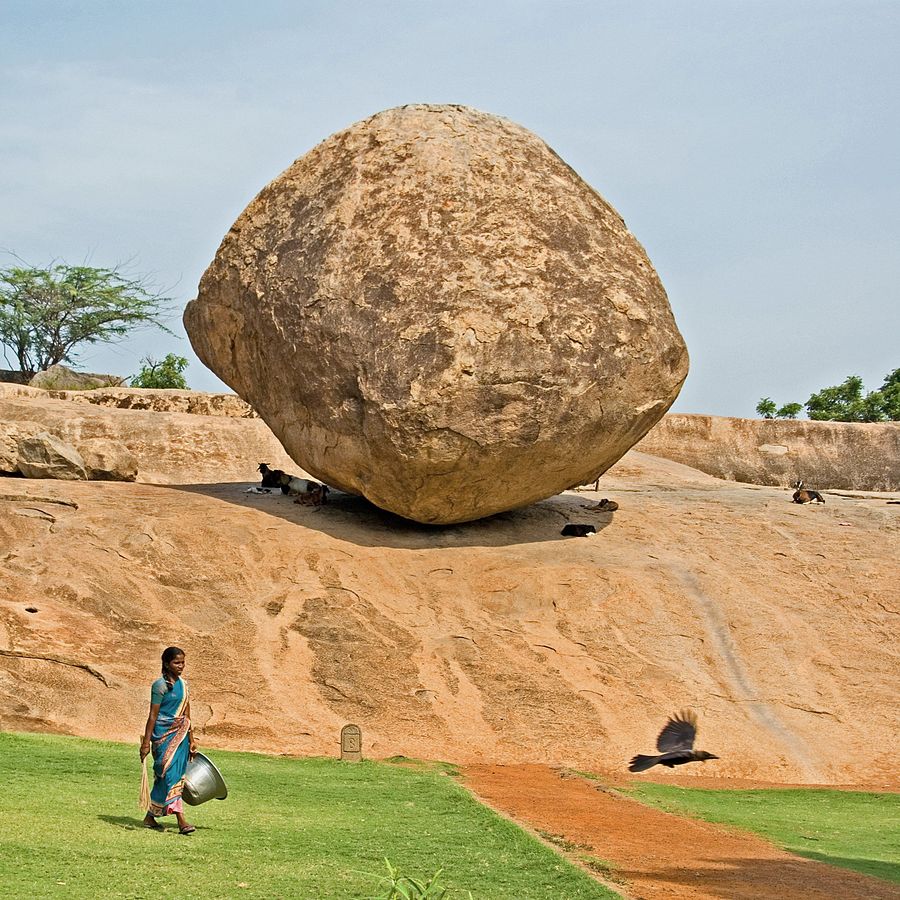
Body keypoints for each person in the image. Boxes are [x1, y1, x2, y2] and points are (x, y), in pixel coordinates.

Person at [140, 646, 198, 834]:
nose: (181, 666)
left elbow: (187, 713)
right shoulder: (160, 686)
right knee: (168, 775)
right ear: (166, 664)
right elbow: (152, 715)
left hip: (181, 736)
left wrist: (191, 738)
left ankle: (150, 817)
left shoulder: (185, 685)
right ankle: (181, 821)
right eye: (176, 662)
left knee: (169, 777)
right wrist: (145, 743)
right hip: (162, 737)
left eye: (182, 662)